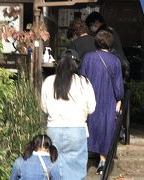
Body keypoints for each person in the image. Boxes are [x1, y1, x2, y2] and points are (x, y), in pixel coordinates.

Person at [41, 49, 96, 180]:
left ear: (59, 63)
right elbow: (92, 108)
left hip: (54, 129)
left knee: (54, 168)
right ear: (76, 64)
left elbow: (44, 107)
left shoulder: (49, 81)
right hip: (77, 129)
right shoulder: (84, 82)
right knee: (76, 170)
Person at [80, 26, 124, 175]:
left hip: (89, 98)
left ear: (97, 42)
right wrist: (119, 100)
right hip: (108, 98)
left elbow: (81, 80)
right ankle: (103, 161)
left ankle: (82, 162)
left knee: (88, 126)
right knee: (106, 129)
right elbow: (118, 86)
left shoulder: (87, 58)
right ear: (110, 44)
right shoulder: (115, 61)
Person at [85, 11, 129, 78]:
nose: (91, 29)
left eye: (90, 25)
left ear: (96, 22)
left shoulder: (103, 33)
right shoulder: (110, 30)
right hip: (120, 63)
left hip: (114, 65)